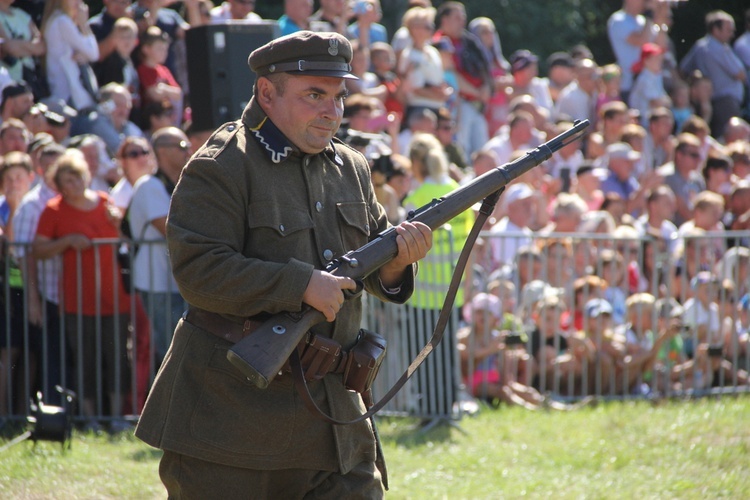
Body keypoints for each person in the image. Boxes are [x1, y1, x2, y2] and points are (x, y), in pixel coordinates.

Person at [134, 31, 433, 496]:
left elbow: (370, 265)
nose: (331, 110)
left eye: (338, 96)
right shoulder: (222, 164)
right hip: (232, 427)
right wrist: (300, 284)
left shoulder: (351, 166)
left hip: (336, 425)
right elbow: (198, 271)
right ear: (266, 93)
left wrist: (396, 266)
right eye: (314, 94)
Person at [33, 149, 131, 432]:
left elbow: (125, 239)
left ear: (84, 176)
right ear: (59, 185)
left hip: (114, 298)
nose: (72, 186)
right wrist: (66, 241)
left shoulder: (104, 203)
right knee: (85, 359)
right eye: (66, 182)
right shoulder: (54, 210)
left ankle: (115, 418)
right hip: (77, 299)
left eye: (75, 179)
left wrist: (118, 222)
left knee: (116, 358)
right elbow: (37, 249)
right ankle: (90, 419)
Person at [128, 126, 188, 366]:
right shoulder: (148, 185)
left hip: (176, 283)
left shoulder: (182, 183)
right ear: (162, 150)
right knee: (169, 349)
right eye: (182, 146)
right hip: (157, 282)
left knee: (180, 348)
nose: (189, 151)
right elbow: (170, 229)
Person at [680, 10, 746, 139]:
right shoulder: (718, 48)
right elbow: (741, 74)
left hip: (712, 103)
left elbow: (683, 69)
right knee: (730, 139)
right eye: (728, 30)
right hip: (726, 104)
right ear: (716, 29)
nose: (732, 34)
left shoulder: (700, 46)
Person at [41, 0, 99, 113]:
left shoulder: (57, 19)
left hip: (66, 91)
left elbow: (88, 53)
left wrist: (84, 56)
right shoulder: (62, 21)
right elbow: (94, 54)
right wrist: (84, 24)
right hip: (68, 93)